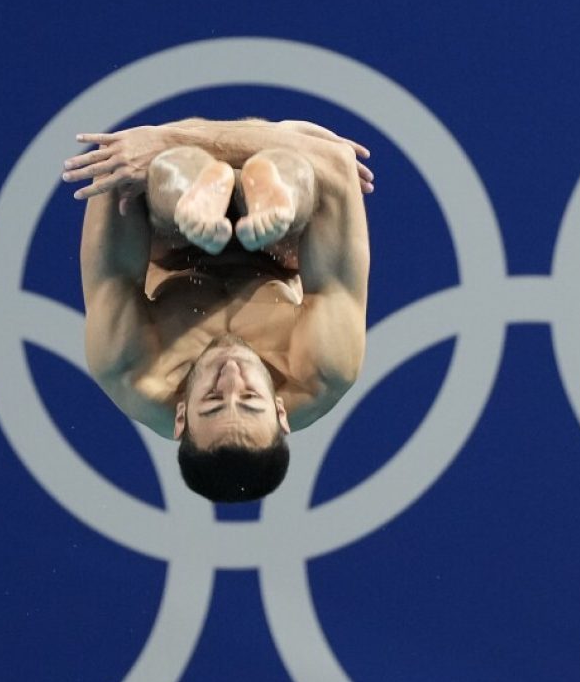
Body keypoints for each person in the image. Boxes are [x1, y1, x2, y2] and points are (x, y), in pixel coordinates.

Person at [62, 118, 372, 503]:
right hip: (278, 249)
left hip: (174, 241)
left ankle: (199, 189)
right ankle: (269, 186)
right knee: (293, 176)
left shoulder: (128, 368)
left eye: (211, 400)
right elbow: (337, 166)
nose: (230, 378)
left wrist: (164, 143)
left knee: (168, 177)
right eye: (250, 399)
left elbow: (113, 175)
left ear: (180, 418)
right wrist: (285, 142)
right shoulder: (324, 368)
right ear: (280, 412)